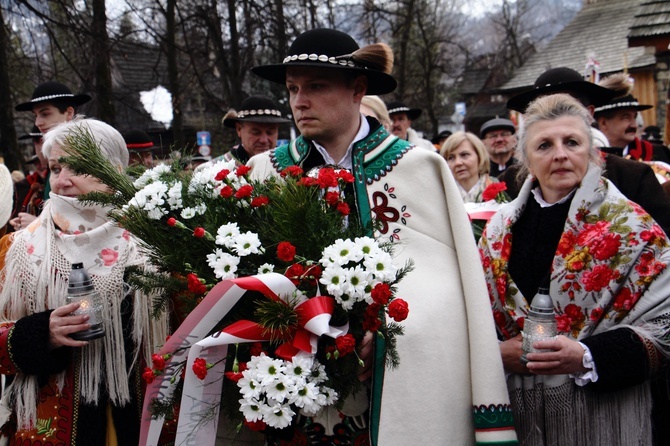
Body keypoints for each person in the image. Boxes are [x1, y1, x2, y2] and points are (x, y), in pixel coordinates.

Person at [248, 27, 516, 445]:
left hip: (394, 387)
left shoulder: (419, 168)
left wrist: (389, 329)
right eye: (293, 88)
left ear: (358, 89)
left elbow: (448, 291)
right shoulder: (266, 172)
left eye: (316, 87)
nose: (300, 102)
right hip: (294, 394)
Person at [479, 93, 670, 445]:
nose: (561, 154)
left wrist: (586, 355)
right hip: (518, 416)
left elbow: (665, 329)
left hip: (604, 417)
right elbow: (475, 319)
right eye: (544, 145)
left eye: (572, 142)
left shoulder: (633, 229)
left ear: (593, 152)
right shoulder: (496, 232)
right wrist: (495, 352)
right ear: (526, 160)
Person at [0, 118, 169, 444]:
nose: (61, 181)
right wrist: (40, 333)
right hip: (55, 428)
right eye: (55, 168)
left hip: (142, 424)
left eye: (76, 167)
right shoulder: (20, 247)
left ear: (115, 170)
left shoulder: (156, 241)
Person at [501, 67, 670, 236]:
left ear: (589, 114)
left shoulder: (633, 177)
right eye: (544, 112)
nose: (560, 155)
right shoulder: (511, 181)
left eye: (568, 108)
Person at [11, 82, 91, 232]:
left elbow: (90, 217)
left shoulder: (88, 153)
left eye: (45, 114)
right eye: (36, 115)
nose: (38, 123)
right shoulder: (55, 158)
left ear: (69, 113)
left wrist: (38, 225)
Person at [595, 73, 670, 163]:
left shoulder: (657, 154)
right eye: (626, 117)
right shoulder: (589, 158)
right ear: (603, 123)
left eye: (634, 117)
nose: (634, 125)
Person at [220, 95, 291, 165]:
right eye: (256, 133)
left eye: (270, 132)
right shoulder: (217, 170)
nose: (264, 140)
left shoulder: (290, 166)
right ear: (239, 129)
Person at [440, 131, 497, 202]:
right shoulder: (440, 196)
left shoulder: (498, 191)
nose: (458, 163)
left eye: (464, 155)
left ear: (479, 156)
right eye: (451, 158)